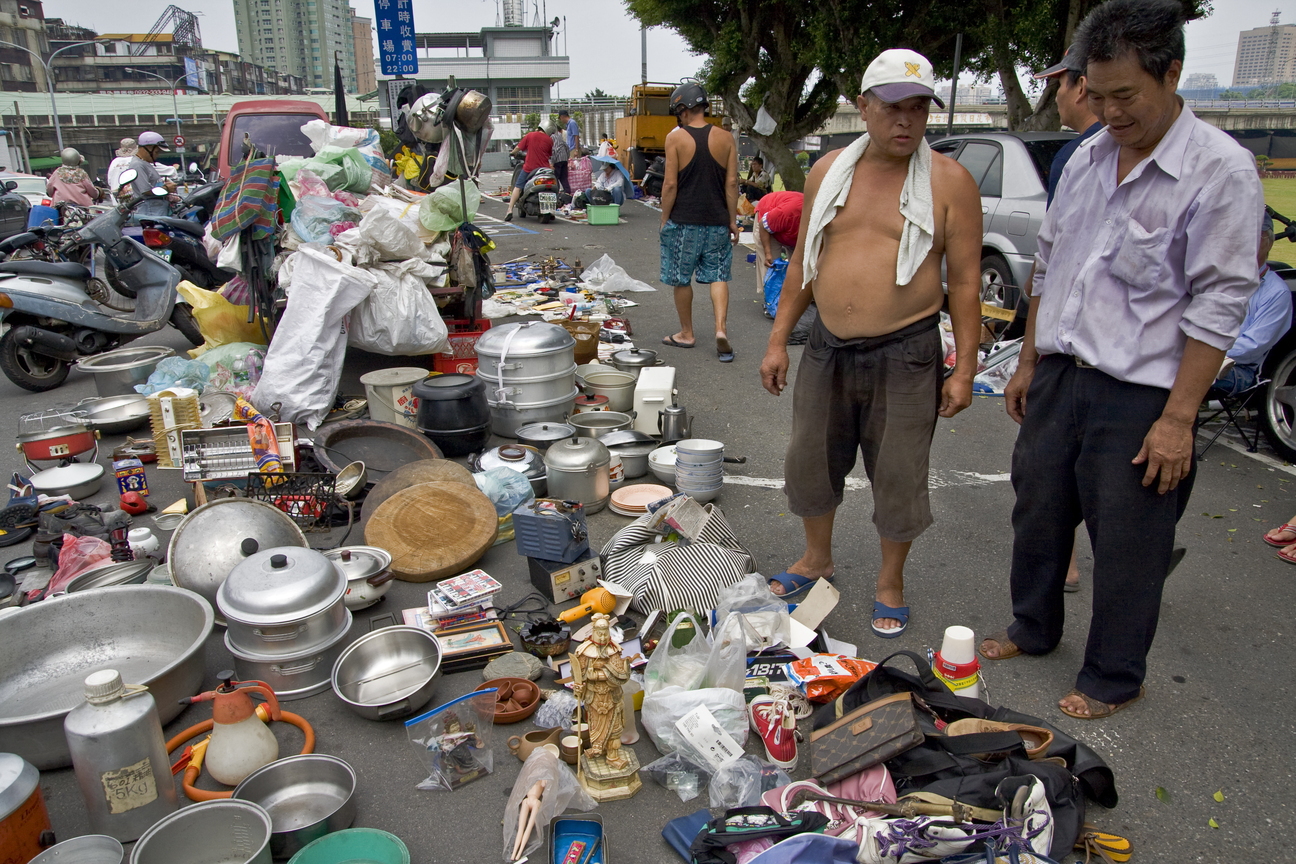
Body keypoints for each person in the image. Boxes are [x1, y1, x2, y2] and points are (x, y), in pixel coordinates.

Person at [982, 0, 1265, 720]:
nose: (1108, 111)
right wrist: (1026, 363)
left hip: (1143, 393)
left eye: (1125, 96)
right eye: (1096, 94)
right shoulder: (1086, 160)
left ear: (1171, 74)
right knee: (1038, 508)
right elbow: (1049, 265)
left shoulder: (1220, 172)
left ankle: (1114, 674)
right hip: (1060, 372)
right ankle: (1034, 627)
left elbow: (1219, 304)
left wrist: (1178, 418)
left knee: (1131, 539)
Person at [757, 48, 982, 639]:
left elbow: (963, 281)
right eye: (891, 107)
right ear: (863, 107)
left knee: (900, 472)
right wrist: (779, 341)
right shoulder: (828, 171)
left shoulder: (950, 182)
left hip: (907, 350)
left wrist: (964, 369)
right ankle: (816, 558)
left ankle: (890, 581)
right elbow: (805, 262)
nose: (905, 120)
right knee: (811, 459)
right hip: (828, 346)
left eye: (917, 108)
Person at [1032, 42, 1105, 592]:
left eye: (1060, 84)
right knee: (1052, 471)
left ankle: (1074, 562)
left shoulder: (1076, 155)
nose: (1057, 94)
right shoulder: (1078, 157)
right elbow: (1050, 259)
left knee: (1073, 471)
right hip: (1066, 356)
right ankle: (1064, 569)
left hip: (1104, 365)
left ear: (1081, 86)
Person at [659, 82, 739, 362]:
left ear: (682, 109)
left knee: (681, 278)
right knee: (718, 275)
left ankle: (687, 333)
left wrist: (664, 218)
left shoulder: (676, 138)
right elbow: (732, 183)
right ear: (704, 106)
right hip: (717, 222)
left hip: (684, 221)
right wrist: (732, 220)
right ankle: (720, 329)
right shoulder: (726, 138)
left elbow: (670, 185)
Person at [1209, 211, 1290, 398]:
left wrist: (1206, 354)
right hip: (1204, 356)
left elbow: (1252, 346)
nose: (1249, 243)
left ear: (1269, 242)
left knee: (1176, 376)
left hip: (1240, 369)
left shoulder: (1277, 293)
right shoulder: (1222, 276)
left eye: (1257, 236)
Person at [754, 190, 802, 294]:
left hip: (790, 227)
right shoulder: (790, 212)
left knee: (799, 265)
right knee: (772, 265)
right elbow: (763, 225)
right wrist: (767, 253)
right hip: (767, 218)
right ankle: (771, 302)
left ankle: (794, 297)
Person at [505, 122, 554, 222]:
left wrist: (512, 153)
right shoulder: (549, 140)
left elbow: (519, 147)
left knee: (518, 187)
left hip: (529, 168)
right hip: (544, 170)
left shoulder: (530, 135)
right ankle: (552, 211)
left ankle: (509, 210)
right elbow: (549, 155)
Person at [127, 131, 176, 217]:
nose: (157, 155)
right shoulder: (138, 165)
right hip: (151, 211)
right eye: (156, 152)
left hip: (156, 209)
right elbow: (145, 191)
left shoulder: (145, 163)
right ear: (148, 147)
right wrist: (166, 188)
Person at [551, 115, 571, 194]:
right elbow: (565, 146)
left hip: (557, 159)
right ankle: (568, 193)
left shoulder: (552, 137)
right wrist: (567, 157)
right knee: (564, 178)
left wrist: (552, 162)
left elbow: (554, 149)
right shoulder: (559, 135)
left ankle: (556, 193)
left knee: (555, 177)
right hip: (564, 158)